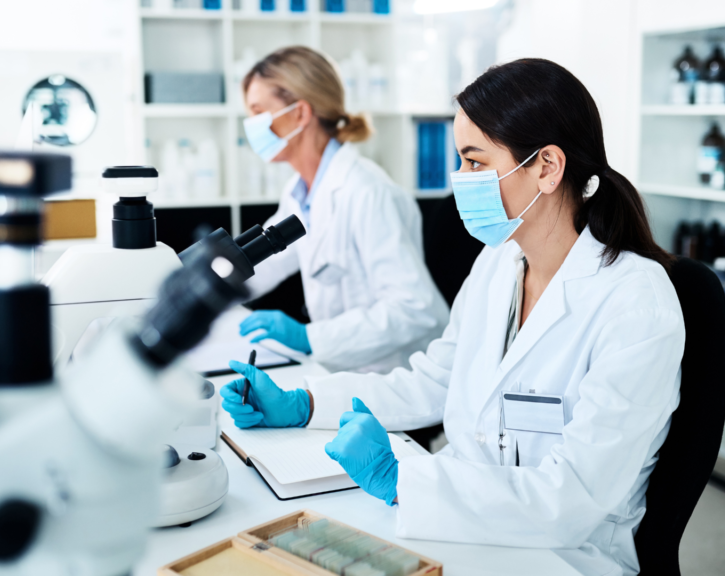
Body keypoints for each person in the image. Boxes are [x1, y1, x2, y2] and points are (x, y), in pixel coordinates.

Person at [223, 58, 684, 576]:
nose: (460, 180)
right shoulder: (500, 263)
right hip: (461, 530)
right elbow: (433, 381)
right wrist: (302, 404)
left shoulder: (636, 303)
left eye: (474, 161)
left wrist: (405, 481)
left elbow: (573, 501)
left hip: (562, 558)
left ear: (547, 167)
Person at [236, 46, 449, 374]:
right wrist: (205, 286)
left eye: (258, 112)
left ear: (300, 113)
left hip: (392, 381)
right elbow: (266, 261)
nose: (252, 126)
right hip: (343, 374)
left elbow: (414, 308)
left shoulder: (366, 191)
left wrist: (308, 336)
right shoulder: (301, 191)